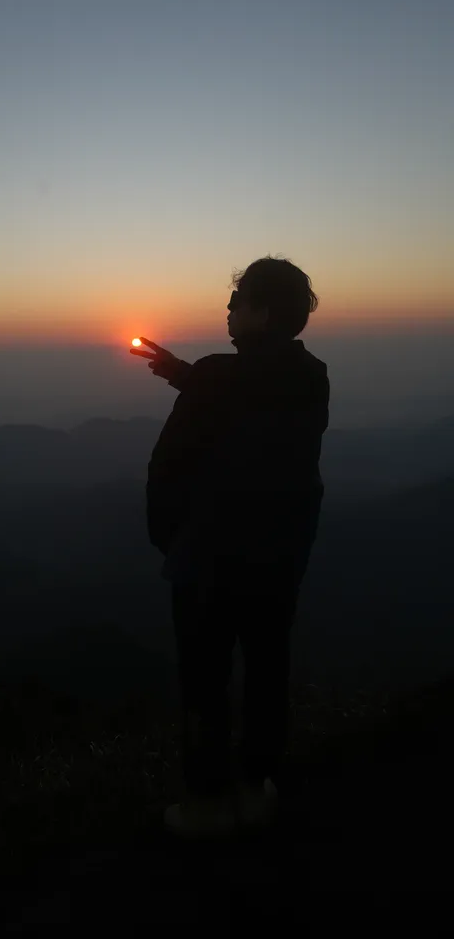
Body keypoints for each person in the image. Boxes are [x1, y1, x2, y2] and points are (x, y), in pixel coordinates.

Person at [130, 256, 330, 839]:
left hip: (210, 561)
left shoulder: (220, 378)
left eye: (237, 299)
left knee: (205, 680)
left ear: (261, 312)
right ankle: (255, 790)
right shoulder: (311, 374)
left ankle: (207, 803)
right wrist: (177, 371)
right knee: (267, 668)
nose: (228, 308)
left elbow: (167, 469)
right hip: (279, 558)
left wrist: (171, 542)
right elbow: (246, 389)